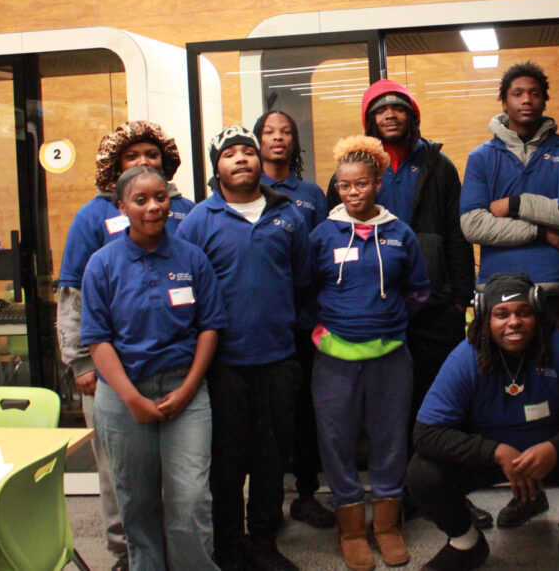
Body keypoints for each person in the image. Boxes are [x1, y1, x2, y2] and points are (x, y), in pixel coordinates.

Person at [408, 272, 559, 571]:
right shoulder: (465, 358)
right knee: (422, 473)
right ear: (483, 318)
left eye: (523, 313)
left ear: (538, 315)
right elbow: (426, 433)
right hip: (490, 459)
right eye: (501, 314)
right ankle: (466, 545)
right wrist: (495, 452)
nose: (513, 322)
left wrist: (556, 448)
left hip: (556, 456)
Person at [56, 120, 194, 571]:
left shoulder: (188, 211)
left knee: (181, 478)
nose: (142, 163)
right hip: (109, 370)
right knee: (122, 476)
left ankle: (178, 553)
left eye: (151, 155)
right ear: (115, 168)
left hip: (177, 369)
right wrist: (79, 361)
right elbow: (72, 295)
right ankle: (125, 554)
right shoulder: (92, 216)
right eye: (132, 156)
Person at [176, 126, 312, 571]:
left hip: (278, 359)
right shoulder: (199, 219)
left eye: (247, 152)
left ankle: (265, 543)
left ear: (259, 162)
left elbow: (301, 279)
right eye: (229, 153)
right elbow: (188, 289)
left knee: (272, 459)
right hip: (222, 365)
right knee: (228, 462)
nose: (241, 159)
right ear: (216, 166)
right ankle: (230, 547)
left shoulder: (288, 215)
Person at [80, 165, 227, 571]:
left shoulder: (191, 258)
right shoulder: (102, 264)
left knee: (191, 497)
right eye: (140, 200)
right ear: (122, 206)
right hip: (124, 396)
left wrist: (188, 389)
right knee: (136, 499)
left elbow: (209, 327)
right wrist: (132, 399)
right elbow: (97, 338)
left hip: (185, 389)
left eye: (159, 197)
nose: (152, 207)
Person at [329, 80, 475, 464]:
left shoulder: (438, 166)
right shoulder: (351, 172)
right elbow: (330, 237)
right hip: (376, 309)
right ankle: (397, 489)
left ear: (413, 117)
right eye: (380, 110)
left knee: (438, 399)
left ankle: (440, 485)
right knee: (389, 405)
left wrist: (461, 297)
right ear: (368, 120)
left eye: (398, 108)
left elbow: (456, 232)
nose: (389, 115)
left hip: (437, 305)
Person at [310, 135, 431, 571]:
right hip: (335, 358)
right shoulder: (322, 235)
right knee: (337, 441)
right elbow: (307, 289)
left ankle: (386, 526)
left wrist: (386, 319)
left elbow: (418, 291)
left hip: (390, 355)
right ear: (337, 189)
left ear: (378, 183)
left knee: (390, 438)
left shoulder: (400, 234)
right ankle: (352, 530)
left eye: (362, 183)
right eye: (345, 186)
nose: (354, 192)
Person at [253, 110, 335, 530]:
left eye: (286, 131)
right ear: (258, 142)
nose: (278, 138)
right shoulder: (245, 189)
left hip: (304, 323)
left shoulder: (311, 194)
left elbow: (321, 255)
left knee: (305, 412)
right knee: (265, 418)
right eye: (269, 132)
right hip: (260, 323)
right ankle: (263, 504)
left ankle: (306, 494)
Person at [460, 61, 559, 334]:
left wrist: (516, 204)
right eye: (517, 93)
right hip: (499, 289)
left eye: (534, 93)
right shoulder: (481, 158)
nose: (526, 100)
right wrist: (541, 231)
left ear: (544, 101)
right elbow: (474, 225)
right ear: (504, 102)